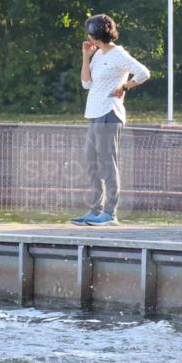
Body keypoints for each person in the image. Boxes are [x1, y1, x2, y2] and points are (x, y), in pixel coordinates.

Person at [70, 14, 150, 226]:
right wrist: (86, 57)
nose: (88, 36)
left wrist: (124, 87)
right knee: (91, 163)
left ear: (97, 35)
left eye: (90, 33)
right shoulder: (96, 54)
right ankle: (95, 211)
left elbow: (143, 73)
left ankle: (110, 213)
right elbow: (86, 84)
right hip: (94, 114)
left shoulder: (118, 54)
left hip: (109, 113)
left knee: (107, 164)